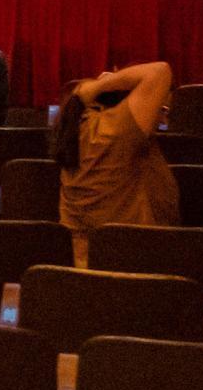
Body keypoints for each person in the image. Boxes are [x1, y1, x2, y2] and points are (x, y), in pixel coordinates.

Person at [54, 60, 180, 264]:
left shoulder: (77, 127)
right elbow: (160, 71)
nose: (162, 118)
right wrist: (104, 83)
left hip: (80, 273)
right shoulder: (116, 132)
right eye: (161, 108)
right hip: (131, 269)